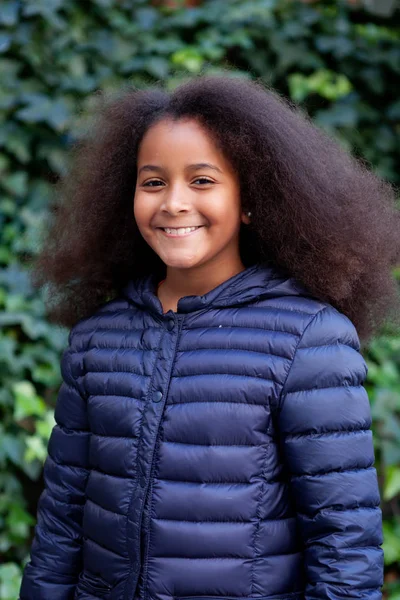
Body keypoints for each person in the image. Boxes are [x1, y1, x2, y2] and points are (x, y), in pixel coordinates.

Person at [19, 73, 400, 600]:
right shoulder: (97, 340)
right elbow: (60, 527)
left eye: (202, 181)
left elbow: (345, 550)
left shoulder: (309, 341)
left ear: (249, 200)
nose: (173, 202)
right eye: (153, 182)